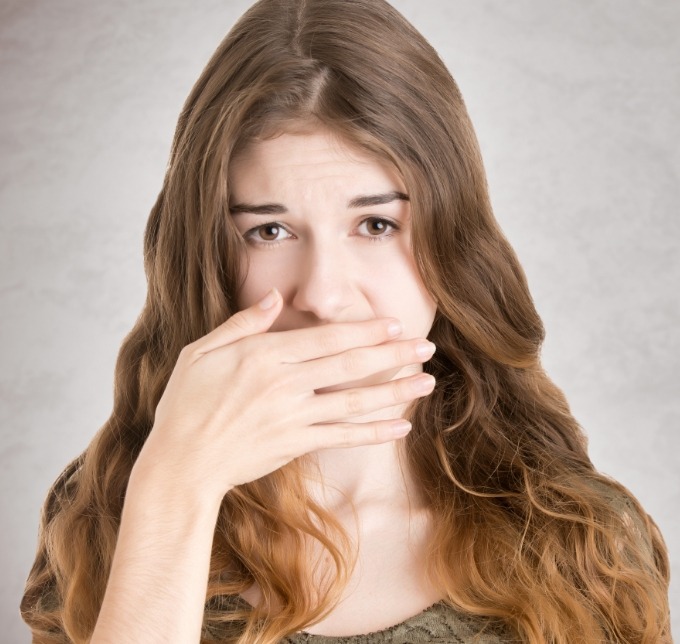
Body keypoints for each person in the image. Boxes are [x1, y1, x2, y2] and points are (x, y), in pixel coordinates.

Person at [21, 0, 671, 642]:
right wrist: (174, 487)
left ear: (453, 241)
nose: (325, 296)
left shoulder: (582, 541)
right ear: (207, 253)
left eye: (376, 224)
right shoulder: (106, 513)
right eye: (269, 230)